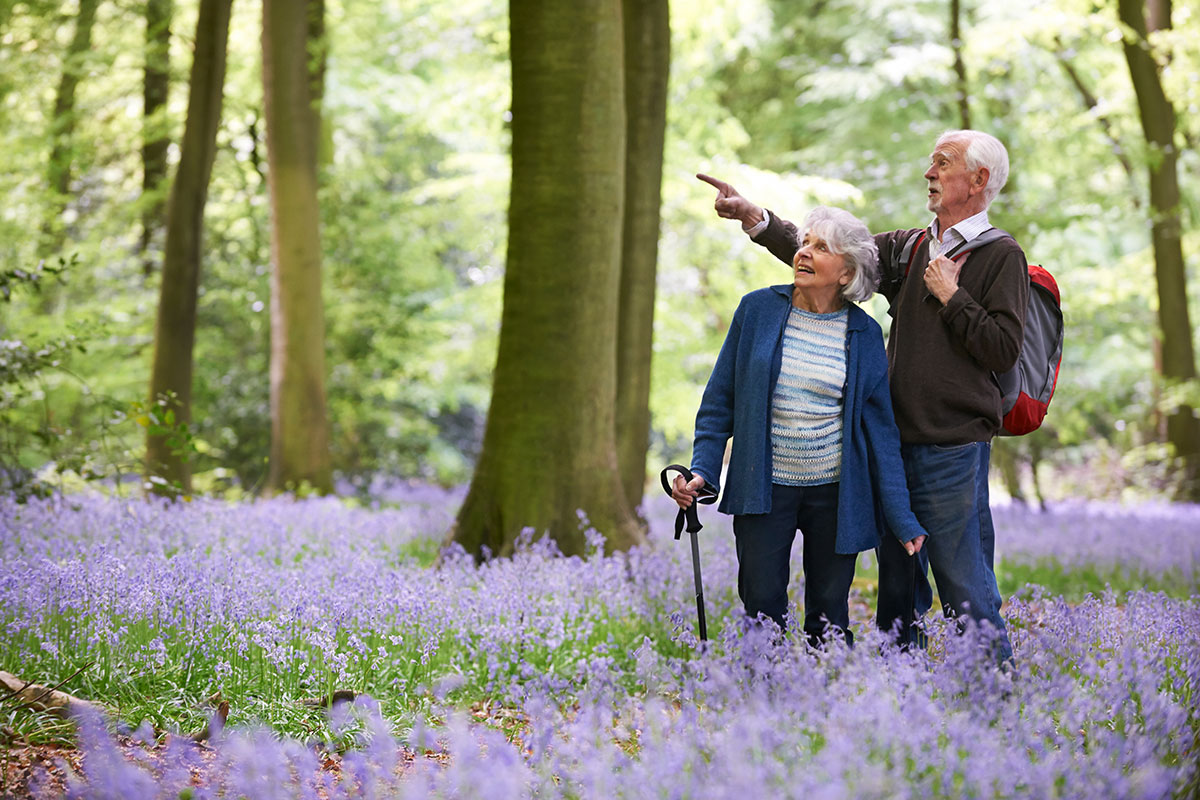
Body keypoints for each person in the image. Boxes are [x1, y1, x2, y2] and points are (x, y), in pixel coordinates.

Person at [698, 129, 1028, 663]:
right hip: (889, 449)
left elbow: (1003, 350)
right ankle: (902, 682)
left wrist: (952, 296)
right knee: (899, 586)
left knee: (960, 575)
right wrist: (758, 220)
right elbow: (836, 261)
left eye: (942, 164)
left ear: (978, 179)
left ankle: (991, 683)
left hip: (951, 449)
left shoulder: (1002, 256)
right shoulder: (911, 247)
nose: (930, 173)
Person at [672, 206, 928, 648]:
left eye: (820, 247)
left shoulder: (864, 334)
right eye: (805, 242)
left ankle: (821, 704)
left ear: (846, 273)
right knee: (761, 608)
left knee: (829, 616)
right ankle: (764, 704)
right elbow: (719, 402)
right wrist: (703, 470)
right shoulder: (757, 311)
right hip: (763, 487)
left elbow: (882, 434)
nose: (804, 253)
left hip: (835, 495)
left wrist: (902, 519)